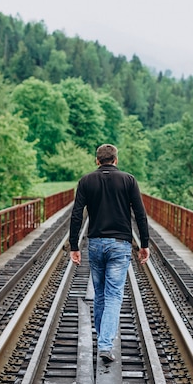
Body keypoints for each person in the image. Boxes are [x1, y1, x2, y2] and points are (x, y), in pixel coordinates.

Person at [69, 144, 150, 364]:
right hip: (120, 244)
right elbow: (140, 214)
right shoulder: (129, 180)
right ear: (116, 160)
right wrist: (144, 244)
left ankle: (102, 338)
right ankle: (105, 345)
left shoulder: (85, 181)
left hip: (95, 243)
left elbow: (77, 215)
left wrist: (74, 246)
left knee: (101, 294)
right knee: (114, 296)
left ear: (97, 160)